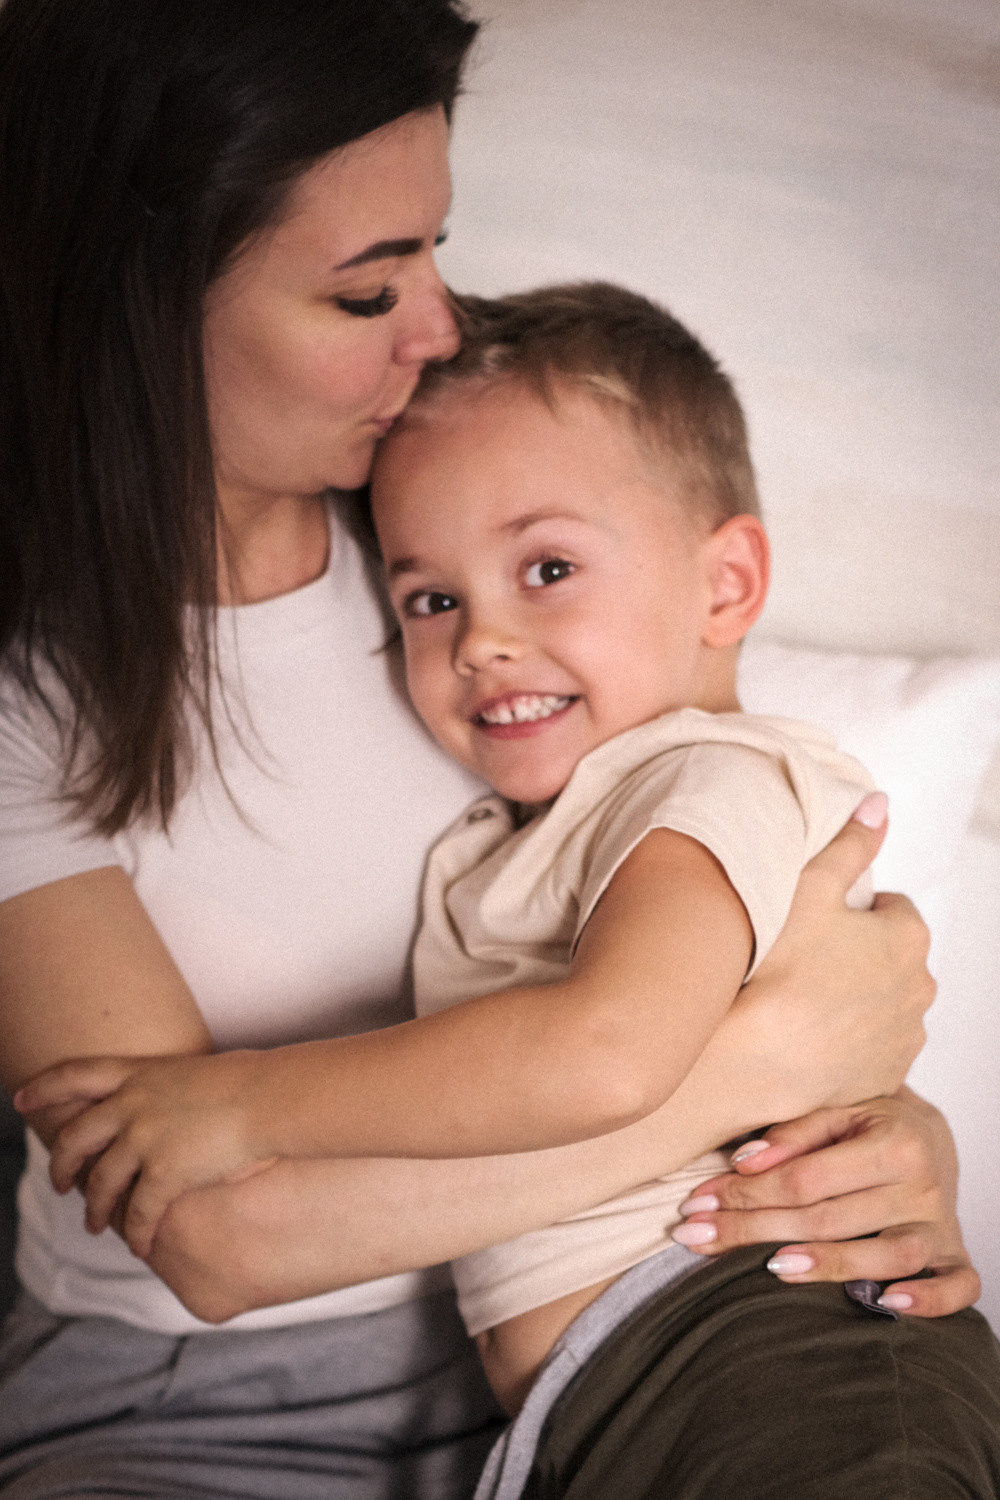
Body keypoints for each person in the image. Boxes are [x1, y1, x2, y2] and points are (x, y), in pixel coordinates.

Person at [0, 0, 980, 1495]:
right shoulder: (40, 685)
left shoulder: (470, 510)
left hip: (612, 1351)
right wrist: (754, 1067)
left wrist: (878, 1146)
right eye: (366, 291)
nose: (442, 327)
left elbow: (704, 941)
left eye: (437, 252)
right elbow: (213, 1236)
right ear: (144, 295)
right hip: (200, 1413)